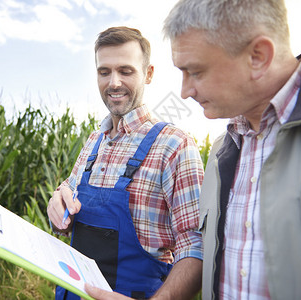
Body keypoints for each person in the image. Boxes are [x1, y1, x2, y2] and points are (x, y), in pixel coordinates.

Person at [86, 0, 301, 299]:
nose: (185, 92)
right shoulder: (222, 153)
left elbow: (190, 245)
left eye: (196, 72)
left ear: (258, 57)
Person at [47, 26, 204, 300]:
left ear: (149, 74)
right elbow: (67, 209)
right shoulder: (94, 142)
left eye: (126, 71)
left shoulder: (174, 145)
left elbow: (197, 247)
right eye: (104, 72)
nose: (114, 82)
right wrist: (58, 210)